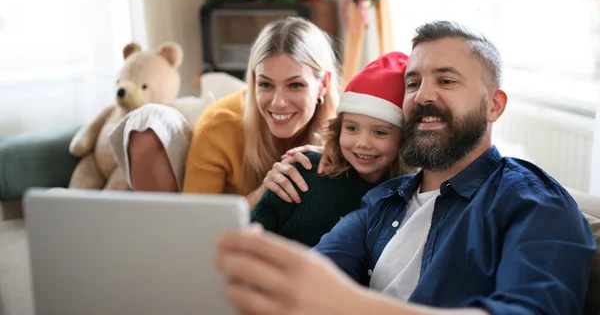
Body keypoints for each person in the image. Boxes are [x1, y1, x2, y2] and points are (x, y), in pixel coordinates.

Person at [214, 20, 597, 314]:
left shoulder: (532, 201)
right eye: (413, 84)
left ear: (494, 105)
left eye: (446, 80)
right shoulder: (382, 202)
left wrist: (351, 305)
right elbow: (311, 275)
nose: (424, 95)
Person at [109, 17, 340, 207]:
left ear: (323, 84)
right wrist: (262, 195)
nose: (278, 103)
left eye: (295, 85)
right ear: (252, 82)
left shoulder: (348, 129)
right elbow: (196, 227)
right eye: (266, 85)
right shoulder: (218, 126)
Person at [251, 52, 414, 247]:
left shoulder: (409, 197)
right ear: (338, 130)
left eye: (380, 133)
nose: (362, 143)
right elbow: (249, 237)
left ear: (404, 140)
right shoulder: (304, 171)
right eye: (351, 128)